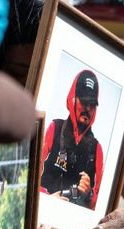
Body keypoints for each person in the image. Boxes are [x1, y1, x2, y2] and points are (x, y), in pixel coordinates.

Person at [39, 69, 104, 210]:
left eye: (92, 104)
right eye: (84, 101)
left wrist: (89, 194)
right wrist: (47, 198)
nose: (87, 108)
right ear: (73, 99)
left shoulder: (97, 149)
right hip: (43, 209)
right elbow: (29, 173)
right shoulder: (54, 128)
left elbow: (101, 206)